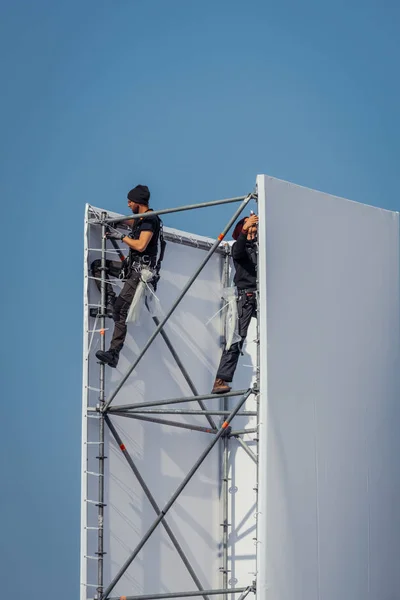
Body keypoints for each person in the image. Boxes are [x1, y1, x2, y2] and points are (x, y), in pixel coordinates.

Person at [91, 185, 162, 368]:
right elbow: (133, 223)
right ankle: (111, 302)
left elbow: (140, 245)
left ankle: (113, 353)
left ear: (138, 202)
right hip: (131, 268)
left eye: (130, 201)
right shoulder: (143, 219)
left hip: (140, 273)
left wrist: (120, 236)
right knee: (98, 266)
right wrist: (119, 222)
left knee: (120, 311)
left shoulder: (149, 220)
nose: (128, 204)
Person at [211, 213, 259, 394]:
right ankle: (220, 379)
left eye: (256, 228)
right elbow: (238, 250)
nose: (254, 231)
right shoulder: (240, 248)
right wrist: (246, 226)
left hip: (259, 296)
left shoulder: (258, 248)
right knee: (236, 338)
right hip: (246, 298)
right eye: (251, 228)